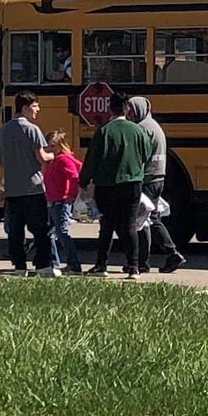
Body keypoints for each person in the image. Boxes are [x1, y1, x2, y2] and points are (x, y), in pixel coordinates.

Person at [80, 92, 152, 279]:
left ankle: (101, 265)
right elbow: (146, 154)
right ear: (127, 109)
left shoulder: (103, 132)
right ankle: (133, 266)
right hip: (133, 183)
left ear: (109, 109)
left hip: (107, 185)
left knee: (107, 226)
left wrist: (84, 181)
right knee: (129, 226)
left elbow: (92, 160)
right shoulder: (138, 131)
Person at [0, 91, 55, 277]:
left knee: (15, 232)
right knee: (40, 230)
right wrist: (56, 155)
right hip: (33, 188)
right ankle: (43, 266)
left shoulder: (3, 131)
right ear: (26, 107)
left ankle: (20, 267)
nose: (38, 109)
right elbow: (42, 157)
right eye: (35, 106)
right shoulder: (32, 129)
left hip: (12, 190)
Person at [127, 97, 187, 274]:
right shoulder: (154, 125)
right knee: (150, 217)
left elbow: (139, 155)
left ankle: (148, 260)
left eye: (131, 110)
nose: (128, 113)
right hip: (158, 177)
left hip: (147, 178)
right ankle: (167, 254)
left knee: (143, 220)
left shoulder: (142, 129)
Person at [43, 130, 82, 275]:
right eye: (47, 146)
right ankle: (54, 262)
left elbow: (73, 177)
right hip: (52, 200)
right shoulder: (52, 160)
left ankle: (74, 265)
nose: (50, 149)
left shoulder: (64, 159)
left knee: (62, 232)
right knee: (50, 232)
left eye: (53, 146)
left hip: (61, 201)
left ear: (60, 145)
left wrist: (71, 195)